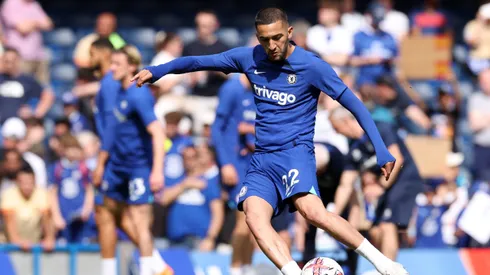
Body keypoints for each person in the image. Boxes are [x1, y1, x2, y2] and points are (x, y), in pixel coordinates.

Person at [132, 7, 407, 275]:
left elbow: (356, 106)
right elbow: (197, 61)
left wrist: (381, 150)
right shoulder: (249, 57)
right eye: (265, 39)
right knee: (253, 215)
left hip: (295, 153)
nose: (272, 45)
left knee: (312, 212)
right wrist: (158, 70)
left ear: (288, 32)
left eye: (277, 37)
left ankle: (386, 265)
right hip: (263, 159)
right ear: (257, 37)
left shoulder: (312, 66)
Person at [89, 38, 172, 275]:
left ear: (131, 67)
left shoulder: (139, 95)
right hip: (115, 165)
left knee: (139, 221)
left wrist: (156, 171)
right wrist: (101, 163)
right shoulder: (115, 89)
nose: (111, 68)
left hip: (138, 167)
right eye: (112, 63)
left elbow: (157, 133)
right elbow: (111, 131)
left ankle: (150, 269)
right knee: (105, 213)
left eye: (117, 64)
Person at [330, 107, 423, 261]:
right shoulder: (354, 149)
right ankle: (386, 264)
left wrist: (380, 186)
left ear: (346, 121)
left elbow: (397, 158)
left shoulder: (378, 128)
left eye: (336, 128)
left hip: (404, 179)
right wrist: (332, 215)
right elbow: (345, 185)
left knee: (387, 225)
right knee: (374, 231)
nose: (337, 133)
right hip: (386, 185)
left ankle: (390, 270)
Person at [159, 145, 224, 250]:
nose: (188, 161)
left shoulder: (208, 183)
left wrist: (210, 238)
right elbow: (163, 199)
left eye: (192, 157)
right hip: (175, 240)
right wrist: (184, 185)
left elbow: (218, 213)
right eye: (184, 158)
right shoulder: (178, 180)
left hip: (199, 240)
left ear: (198, 159)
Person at [48, 134, 95, 243]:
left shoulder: (83, 168)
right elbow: (52, 193)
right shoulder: (57, 168)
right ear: (63, 149)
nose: (75, 152)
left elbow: (89, 190)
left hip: (81, 216)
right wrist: (56, 216)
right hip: (64, 215)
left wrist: (87, 210)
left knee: (83, 245)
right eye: (71, 148)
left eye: (77, 148)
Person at [1, 164, 55, 251]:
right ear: (17, 182)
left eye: (30, 183)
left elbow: (47, 218)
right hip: (8, 245)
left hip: (33, 244)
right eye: (23, 183)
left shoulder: (42, 194)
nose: (27, 186)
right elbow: (9, 219)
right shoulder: (9, 194)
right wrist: (17, 241)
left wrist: (49, 238)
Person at [0, 0, 53, 84]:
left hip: (39, 55)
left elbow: (49, 24)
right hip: (20, 56)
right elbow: (23, 28)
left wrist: (32, 23)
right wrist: (38, 23)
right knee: (23, 87)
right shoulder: (11, 3)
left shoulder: (34, 4)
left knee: (43, 89)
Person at [0, 47, 54, 124]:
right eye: (7, 61)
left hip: (21, 125)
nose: (9, 65)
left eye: (13, 61)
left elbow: (47, 95)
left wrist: (35, 113)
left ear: (18, 61)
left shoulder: (27, 80)